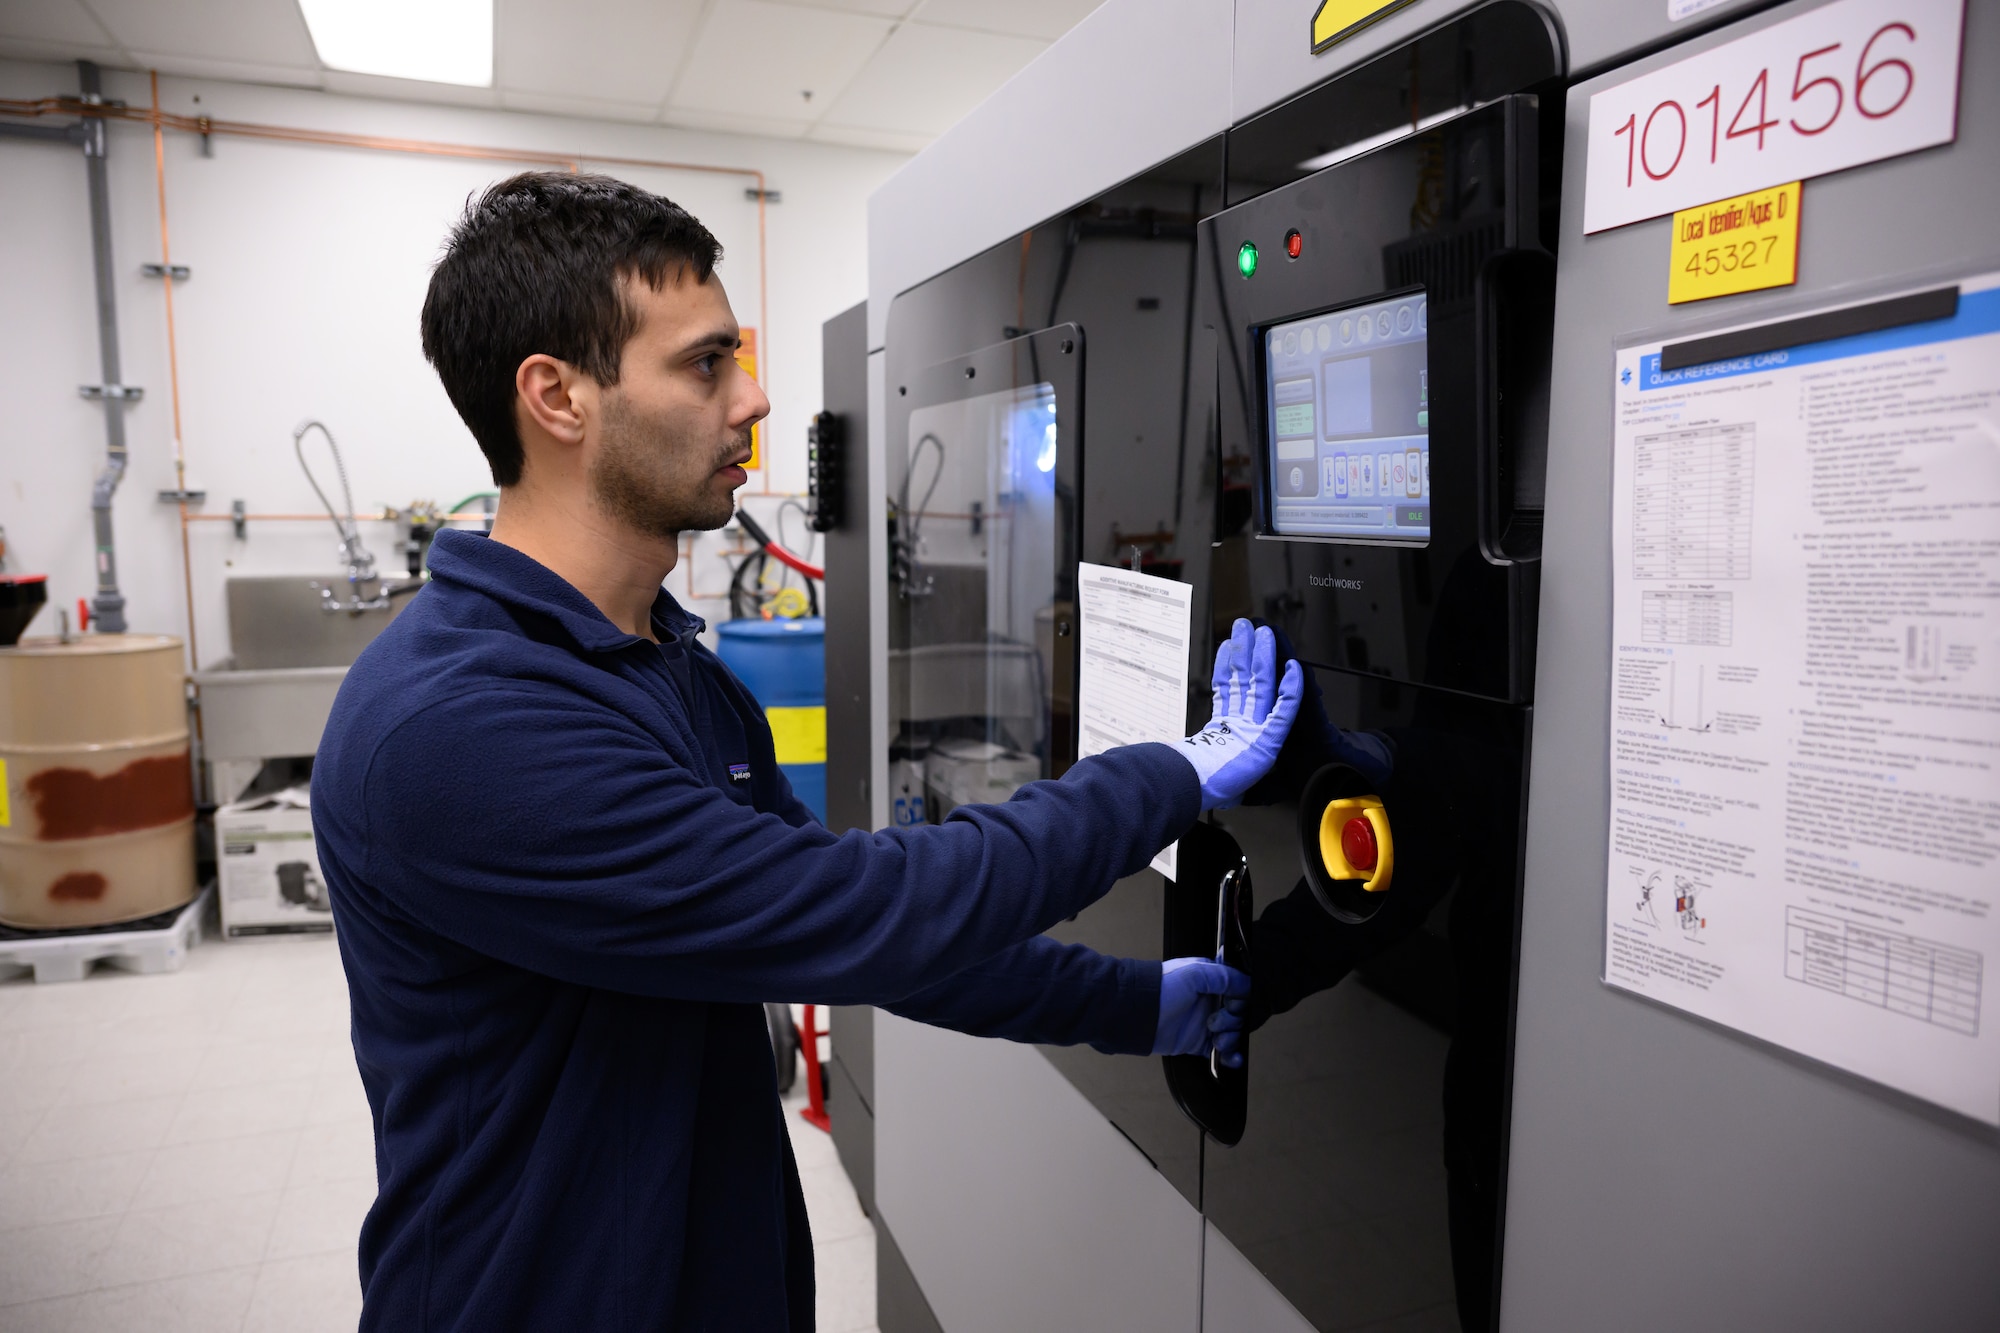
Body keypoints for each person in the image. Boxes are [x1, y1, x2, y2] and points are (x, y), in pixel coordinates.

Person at [310, 172, 1302, 1332]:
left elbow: (856, 942)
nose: (756, 397)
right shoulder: (457, 724)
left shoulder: (669, 670)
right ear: (557, 397)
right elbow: (859, 909)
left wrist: (1139, 1006)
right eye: (704, 362)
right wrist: (1165, 777)